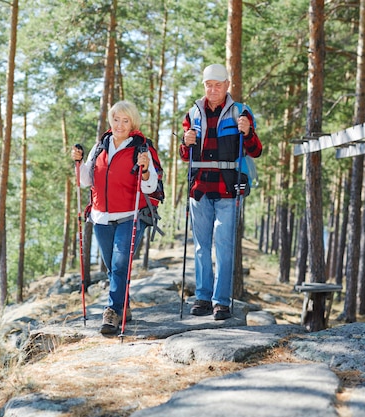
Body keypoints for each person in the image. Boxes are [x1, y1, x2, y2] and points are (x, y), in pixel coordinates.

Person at [180, 63, 263, 320]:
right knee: (201, 247)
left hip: (228, 188)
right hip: (200, 188)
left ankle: (221, 302)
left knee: (224, 246)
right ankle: (203, 298)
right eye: (208, 85)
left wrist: (247, 132)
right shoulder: (192, 113)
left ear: (227, 85)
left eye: (218, 85)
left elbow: (256, 150)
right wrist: (186, 143)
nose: (213, 89)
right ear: (204, 86)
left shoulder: (241, 112)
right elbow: (186, 155)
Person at [72, 100, 159, 334]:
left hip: (130, 216)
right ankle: (124, 306)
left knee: (120, 264)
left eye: (125, 120)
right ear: (110, 120)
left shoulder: (142, 148)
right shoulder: (100, 145)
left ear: (133, 123)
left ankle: (111, 312)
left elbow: (151, 186)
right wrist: (79, 163)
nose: (120, 124)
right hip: (101, 217)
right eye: (116, 119)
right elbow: (86, 181)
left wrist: (146, 169)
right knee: (113, 268)